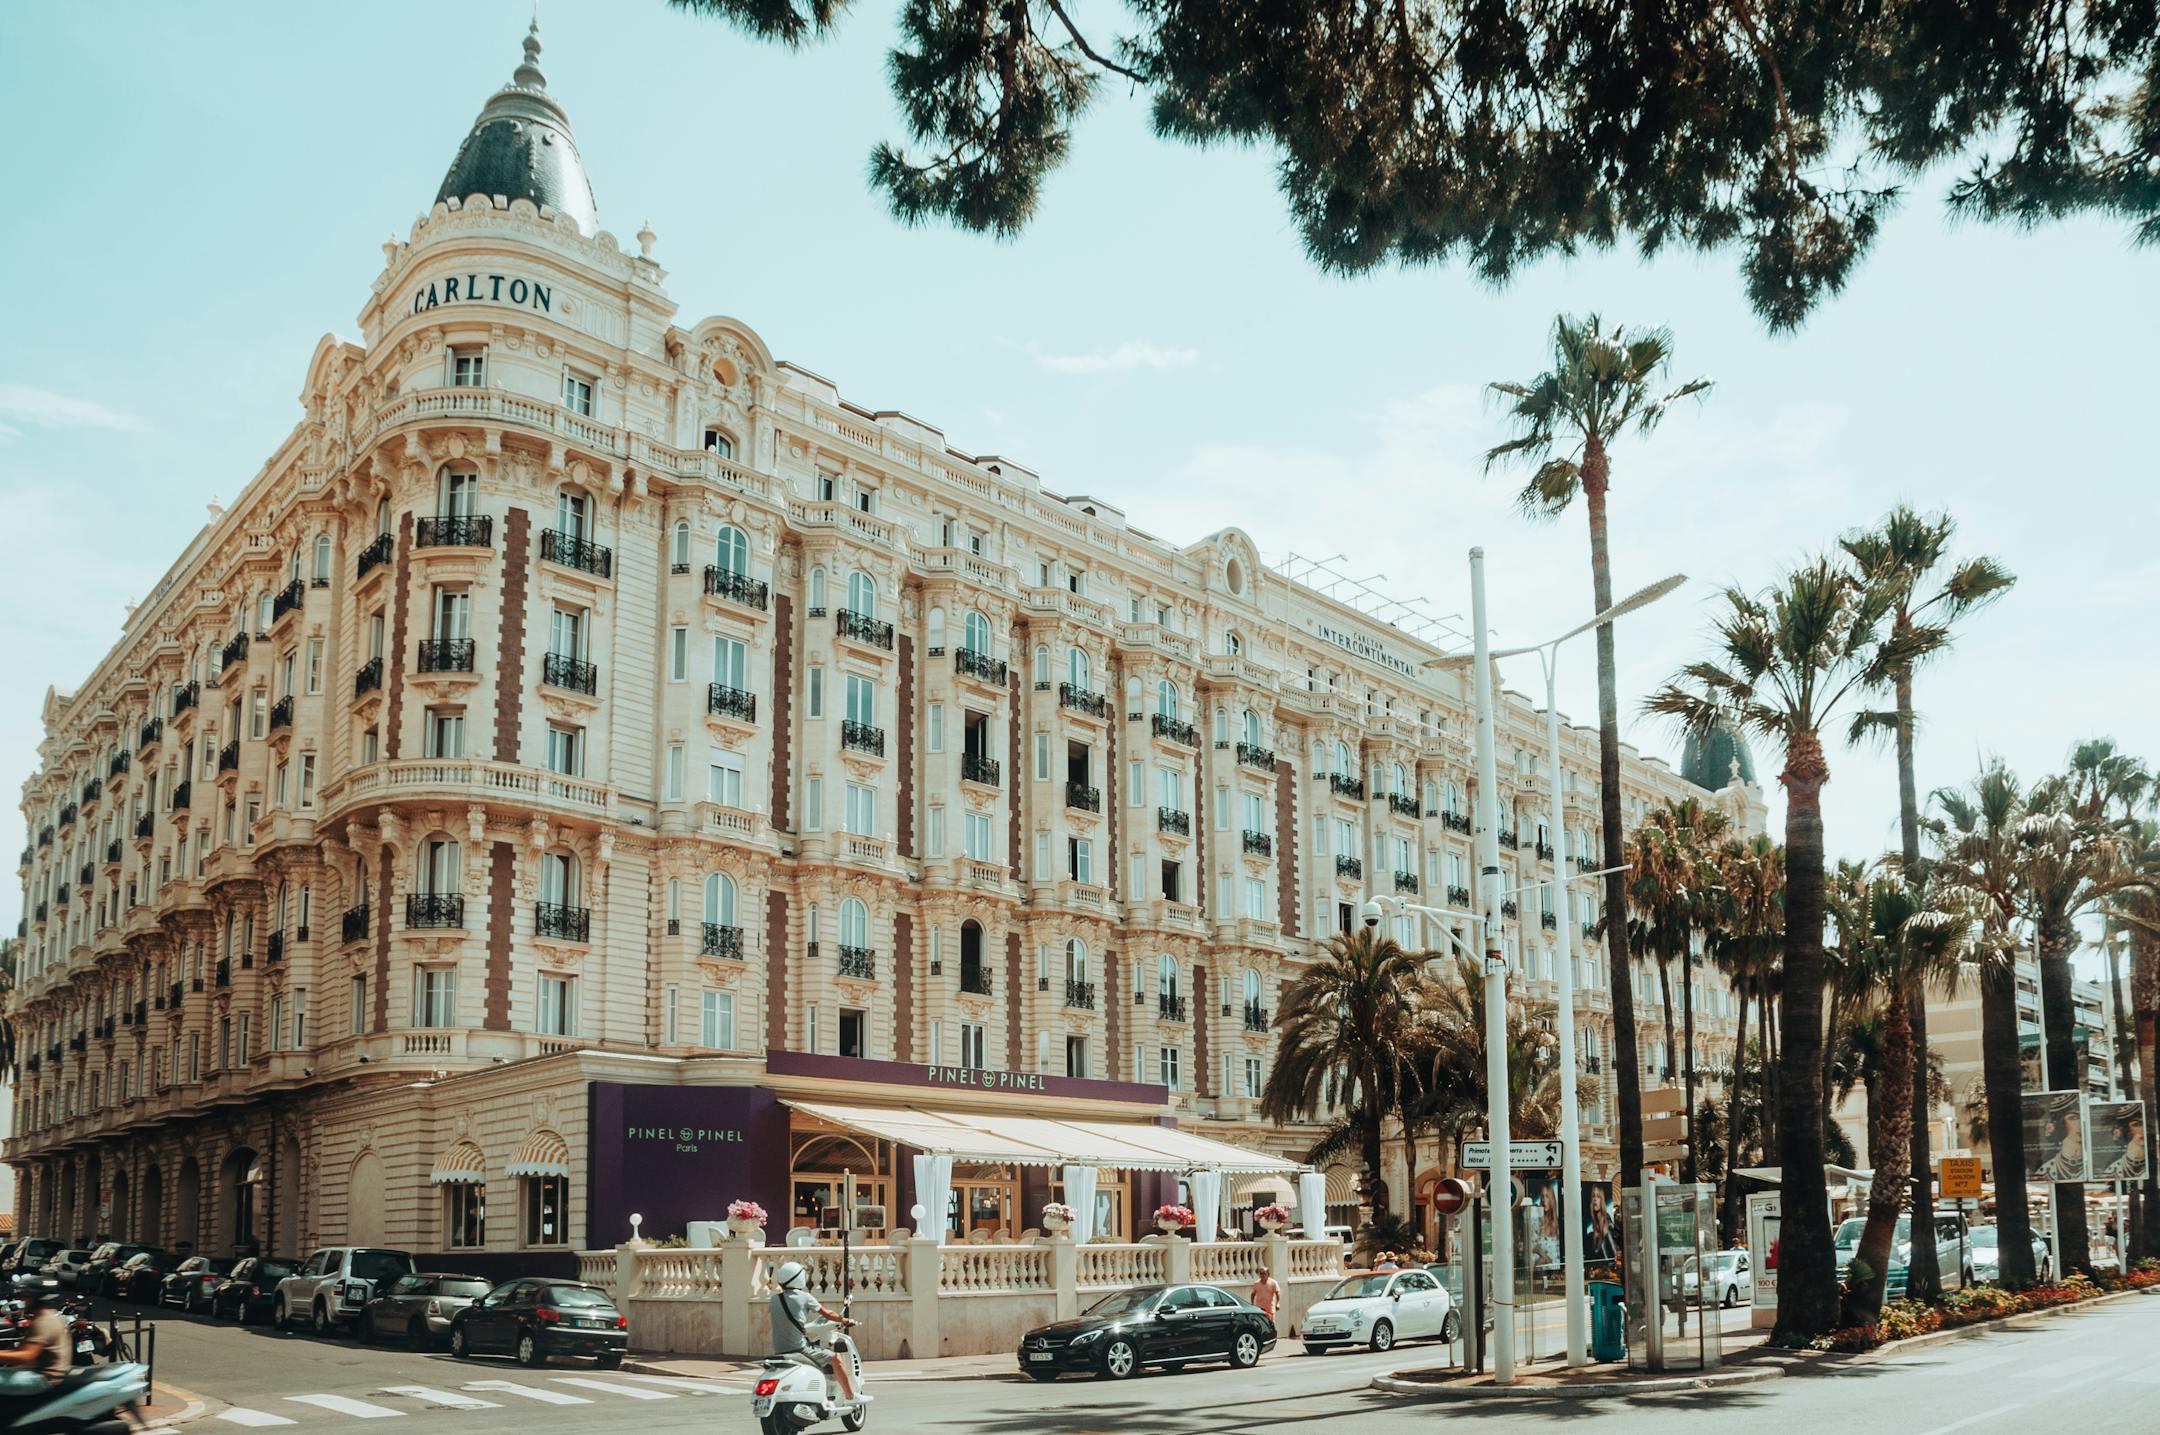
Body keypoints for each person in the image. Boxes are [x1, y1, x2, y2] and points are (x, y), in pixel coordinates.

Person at [769, 1261, 860, 1404]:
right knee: (836, 1358)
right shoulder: (804, 1297)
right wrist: (844, 1320)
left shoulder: (774, 1299)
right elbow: (827, 1314)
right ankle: (850, 1396)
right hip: (799, 1349)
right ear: (800, 1278)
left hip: (779, 1350)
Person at [0, 1289, 71, 1391]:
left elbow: (25, 1356)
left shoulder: (44, 1321)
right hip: (37, 1373)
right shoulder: (48, 1315)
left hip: (42, 1377)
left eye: (25, 1297)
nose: (21, 1301)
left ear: (36, 1298)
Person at [1250, 1268, 1282, 1333]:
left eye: (1264, 1273)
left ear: (1268, 1274)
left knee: (1270, 1324)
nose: (1262, 1275)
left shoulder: (1273, 1283)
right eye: (1260, 1273)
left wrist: (1278, 1303)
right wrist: (1252, 1304)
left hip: (1270, 1309)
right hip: (1259, 1309)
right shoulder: (1257, 1283)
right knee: (1260, 1325)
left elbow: (1277, 1293)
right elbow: (1253, 1294)